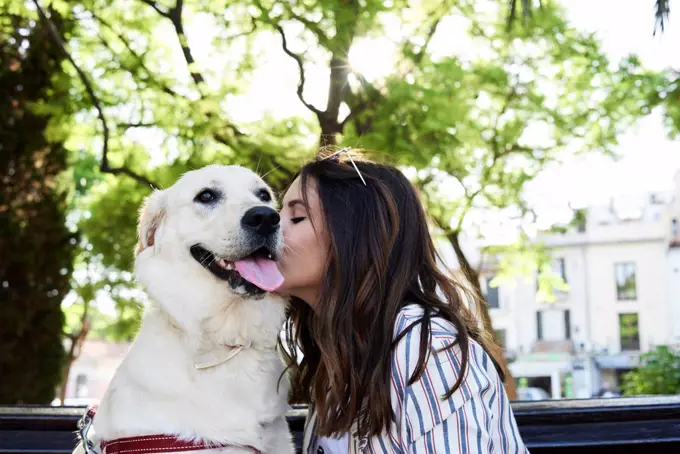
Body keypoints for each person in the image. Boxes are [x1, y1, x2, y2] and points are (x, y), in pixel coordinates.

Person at [275, 149, 528, 453]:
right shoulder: (335, 359)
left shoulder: (427, 347)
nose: (272, 226)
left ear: (355, 235)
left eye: (297, 216)